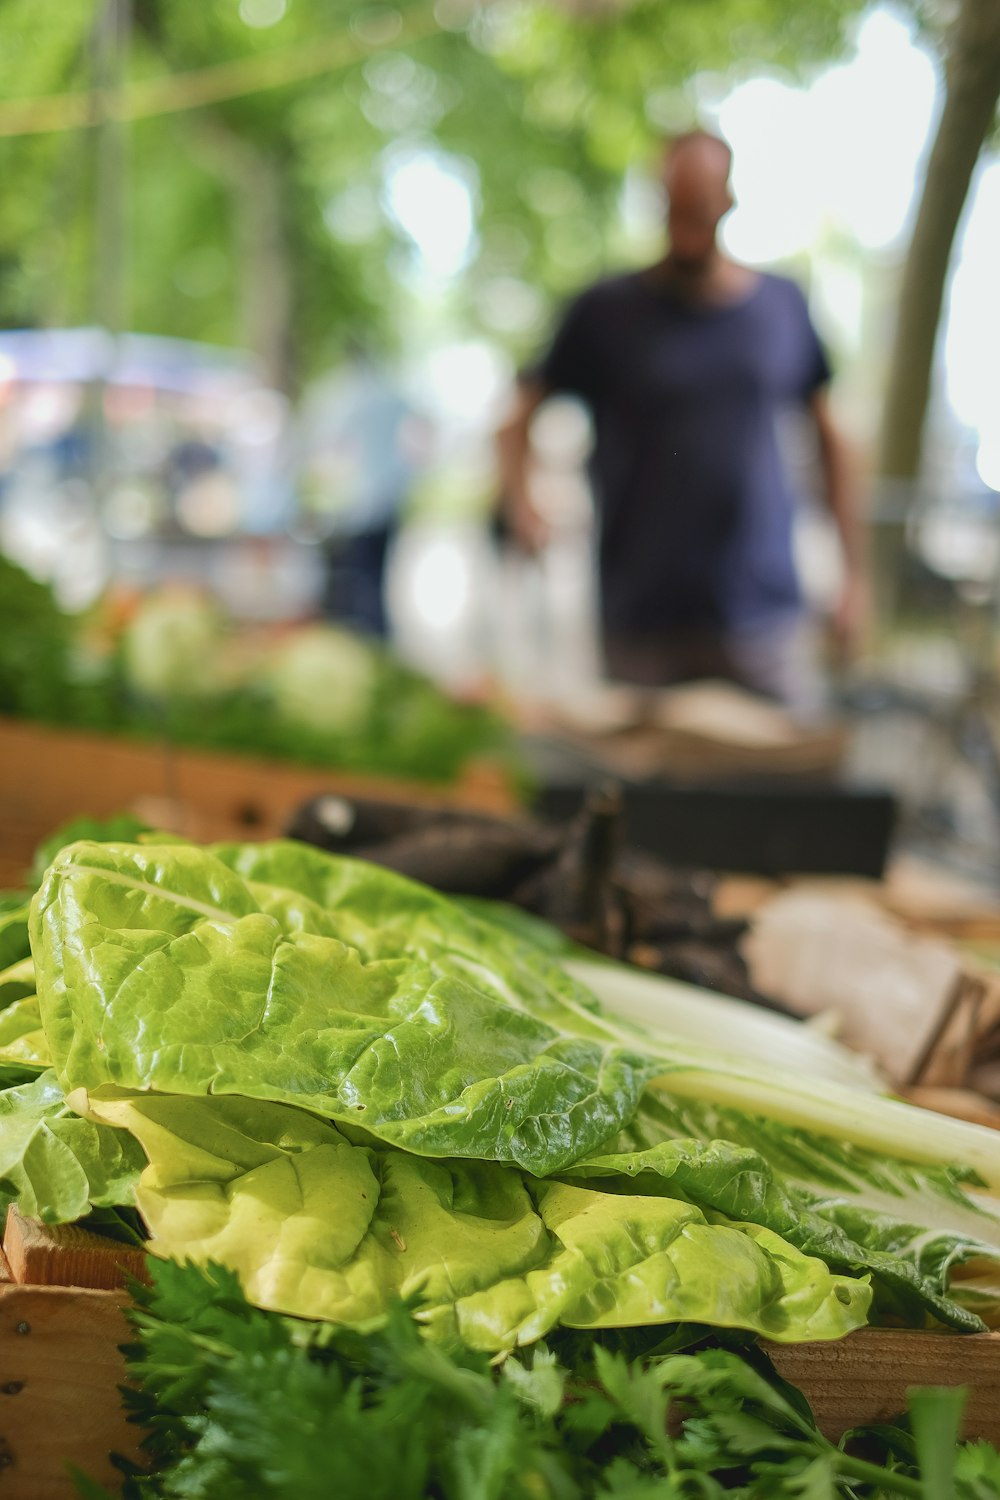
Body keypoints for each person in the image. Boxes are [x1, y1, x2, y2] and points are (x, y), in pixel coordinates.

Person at [495, 129, 866, 706]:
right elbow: (517, 416)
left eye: (697, 205)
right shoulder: (605, 311)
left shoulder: (781, 306)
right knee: (646, 791)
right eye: (672, 205)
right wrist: (523, 502)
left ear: (726, 200)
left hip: (760, 615)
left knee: (779, 783)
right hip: (641, 619)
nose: (684, 221)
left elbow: (833, 439)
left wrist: (854, 578)